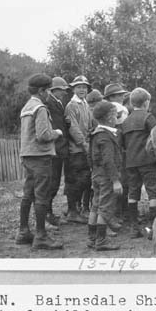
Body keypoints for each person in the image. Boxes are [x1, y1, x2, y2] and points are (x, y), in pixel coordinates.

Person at [18, 73, 64, 250]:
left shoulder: (26, 107)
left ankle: (23, 232)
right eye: (48, 90)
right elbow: (43, 135)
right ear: (42, 90)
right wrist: (57, 133)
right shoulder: (41, 108)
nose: (49, 94)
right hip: (40, 156)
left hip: (27, 156)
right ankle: (41, 236)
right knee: (42, 196)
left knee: (28, 194)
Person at [120, 87, 156, 238]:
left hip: (130, 162)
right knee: (152, 192)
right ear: (146, 102)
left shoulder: (126, 121)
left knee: (133, 192)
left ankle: (133, 227)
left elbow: (123, 143)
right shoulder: (148, 118)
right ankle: (152, 227)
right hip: (148, 161)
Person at [88, 101, 122, 251]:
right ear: (109, 118)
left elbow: (90, 157)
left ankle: (92, 238)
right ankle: (101, 241)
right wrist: (115, 181)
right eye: (116, 115)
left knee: (95, 206)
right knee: (105, 208)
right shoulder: (106, 137)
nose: (117, 118)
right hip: (107, 177)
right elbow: (108, 160)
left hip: (96, 174)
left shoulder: (95, 134)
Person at [64, 75, 95, 224]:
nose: (82, 89)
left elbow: (89, 125)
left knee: (86, 180)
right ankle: (72, 211)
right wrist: (84, 144)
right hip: (76, 150)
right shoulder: (72, 106)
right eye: (79, 87)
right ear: (73, 89)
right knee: (75, 181)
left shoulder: (85, 104)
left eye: (84, 87)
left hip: (86, 147)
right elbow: (73, 128)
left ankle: (81, 208)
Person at [44, 76, 71, 227]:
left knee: (55, 182)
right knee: (52, 183)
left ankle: (48, 213)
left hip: (60, 147)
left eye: (64, 90)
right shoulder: (49, 103)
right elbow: (54, 127)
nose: (63, 92)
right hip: (55, 148)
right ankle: (47, 214)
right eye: (61, 90)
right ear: (54, 90)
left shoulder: (59, 103)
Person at [104, 83, 129, 219]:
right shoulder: (120, 108)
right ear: (112, 96)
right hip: (120, 145)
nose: (122, 97)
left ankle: (115, 212)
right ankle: (120, 212)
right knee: (122, 179)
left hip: (111, 144)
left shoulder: (104, 108)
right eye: (119, 95)